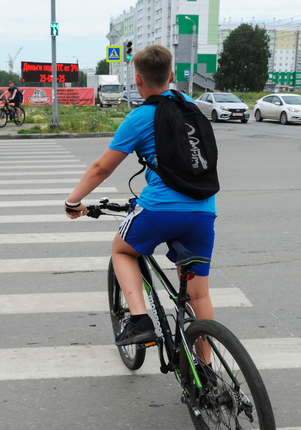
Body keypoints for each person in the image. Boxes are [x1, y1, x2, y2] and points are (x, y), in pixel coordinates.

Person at [64, 44, 217, 347]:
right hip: (204, 209)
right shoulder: (190, 106)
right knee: (199, 295)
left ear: (137, 80)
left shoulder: (138, 118)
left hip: (160, 210)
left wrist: (72, 201)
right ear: (172, 75)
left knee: (121, 250)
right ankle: (209, 377)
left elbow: (100, 169)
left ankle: (139, 321)